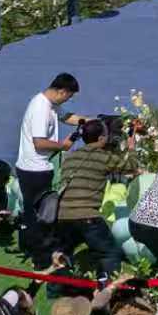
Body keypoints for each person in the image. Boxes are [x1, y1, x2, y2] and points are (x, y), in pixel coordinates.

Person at [49, 118, 131, 276]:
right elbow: (131, 167)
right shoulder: (103, 157)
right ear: (101, 138)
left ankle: (57, 287)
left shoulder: (70, 157)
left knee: (62, 254)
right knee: (110, 253)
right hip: (87, 215)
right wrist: (131, 148)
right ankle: (107, 286)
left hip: (63, 215)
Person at [13, 74, 80, 251]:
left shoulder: (51, 104)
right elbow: (39, 142)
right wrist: (63, 146)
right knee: (39, 212)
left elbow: (67, 117)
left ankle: (29, 243)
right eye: (69, 96)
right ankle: (37, 247)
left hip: (38, 166)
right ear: (62, 91)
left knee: (34, 209)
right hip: (34, 170)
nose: (68, 100)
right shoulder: (40, 108)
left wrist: (90, 121)